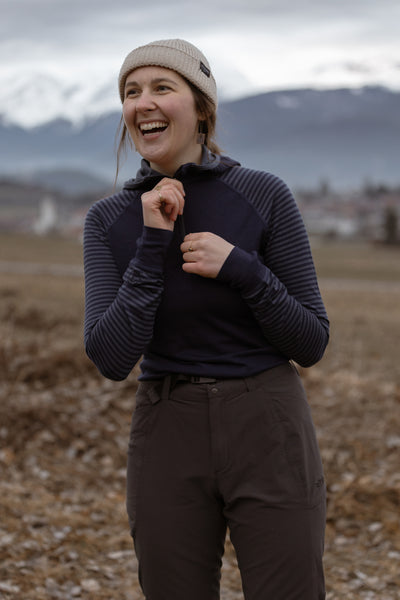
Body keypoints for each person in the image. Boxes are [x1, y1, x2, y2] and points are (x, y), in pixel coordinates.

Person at [83, 39, 329, 600]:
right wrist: (152, 244)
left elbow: (311, 340)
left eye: (162, 88)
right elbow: (111, 358)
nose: (143, 102)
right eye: (131, 91)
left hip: (267, 420)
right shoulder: (108, 220)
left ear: (201, 108)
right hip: (167, 425)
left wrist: (243, 269)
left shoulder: (263, 194)